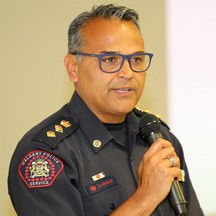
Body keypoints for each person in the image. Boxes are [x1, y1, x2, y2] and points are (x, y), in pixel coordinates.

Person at [8, 4, 204, 216]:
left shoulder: (158, 139)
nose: (128, 73)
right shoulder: (45, 155)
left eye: (136, 59)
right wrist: (146, 197)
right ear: (73, 68)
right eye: (110, 60)